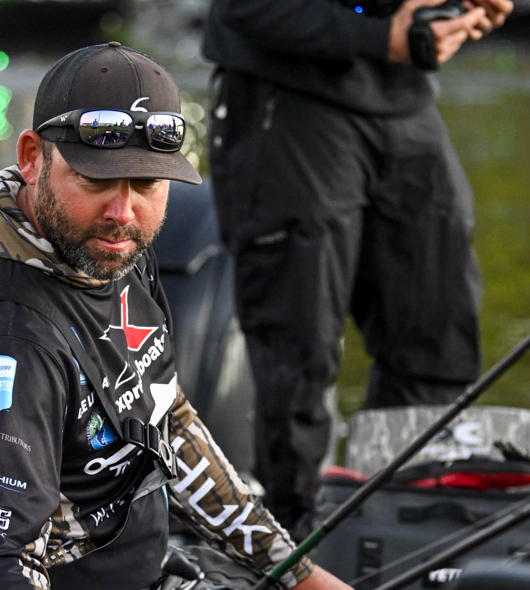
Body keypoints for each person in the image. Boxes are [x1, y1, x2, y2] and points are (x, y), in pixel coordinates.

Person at [0, 41, 382, 590]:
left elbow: (168, 422)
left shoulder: (107, 255)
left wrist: (298, 576)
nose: (123, 213)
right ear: (33, 158)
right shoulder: (4, 337)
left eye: (146, 184)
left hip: (150, 589)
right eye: (96, 181)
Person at [202, 0, 513, 538]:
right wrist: (379, 35)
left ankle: (400, 530)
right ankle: (293, 549)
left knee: (437, 338)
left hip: (403, 98)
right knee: (299, 352)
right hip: (289, 95)